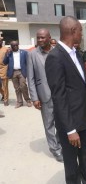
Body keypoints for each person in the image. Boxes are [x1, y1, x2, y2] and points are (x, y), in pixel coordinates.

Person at [45, 16, 86, 184]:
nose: (82, 35)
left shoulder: (77, 54)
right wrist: (70, 130)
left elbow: (82, 88)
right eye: (81, 31)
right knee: (72, 167)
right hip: (70, 126)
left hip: (85, 121)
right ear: (73, 31)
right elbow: (59, 96)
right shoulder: (55, 57)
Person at [27, 28, 63, 162]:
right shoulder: (32, 54)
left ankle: (60, 144)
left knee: (61, 122)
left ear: (49, 38)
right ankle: (55, 149)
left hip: (60, 94)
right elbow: (30, 78)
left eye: (43, 37)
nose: (40, 40)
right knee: (49, 124)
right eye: (38, 37)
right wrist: (34, 98)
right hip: (44, 95)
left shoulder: (58, 51)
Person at [3, 41, 32, 108]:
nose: (15, 46)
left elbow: (28, 62)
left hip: (22, 71)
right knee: (17, 88)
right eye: (13, 45)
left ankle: (28, 100)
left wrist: (28, 71)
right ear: (11, 46)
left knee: (23, 86)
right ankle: (19, 102)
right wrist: (7, 55)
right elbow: (4, 62)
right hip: (13, 72)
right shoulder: (9, 53)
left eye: (16, 45)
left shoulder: (24, 52)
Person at [0, 37, 9, 106]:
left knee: (5, 86)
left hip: (4, 69)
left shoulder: (6, 49)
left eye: (0, 41)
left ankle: (6, 99)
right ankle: (3, 94)